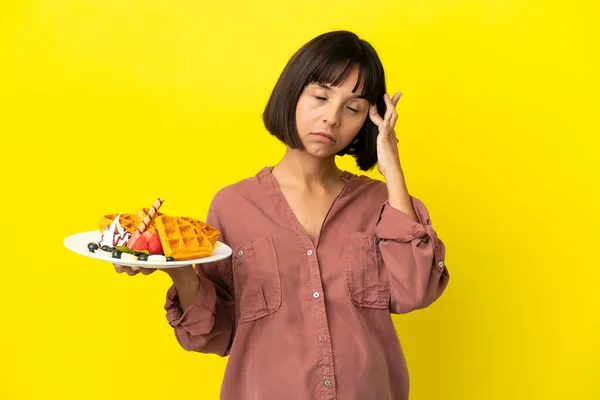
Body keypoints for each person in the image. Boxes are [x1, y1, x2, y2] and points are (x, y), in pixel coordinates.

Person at [114, 30, 450, 400]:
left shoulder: (381, 204)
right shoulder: (233, 206)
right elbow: (217, 334)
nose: (332, 118)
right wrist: (181, 275)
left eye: (352, 108)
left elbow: (415, 291)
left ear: (368, 120)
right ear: (292, 95)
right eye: (321, 97)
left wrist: (393, 171)